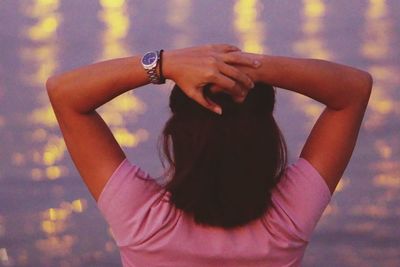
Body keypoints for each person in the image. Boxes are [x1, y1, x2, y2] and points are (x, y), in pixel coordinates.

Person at [46, 44, 372, 267]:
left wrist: (165, 63)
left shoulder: (143, 220)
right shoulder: (287, 221)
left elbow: (65, 93)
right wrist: (248, 66)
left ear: (176, 139)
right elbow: (353, 90)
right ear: (267, 139)